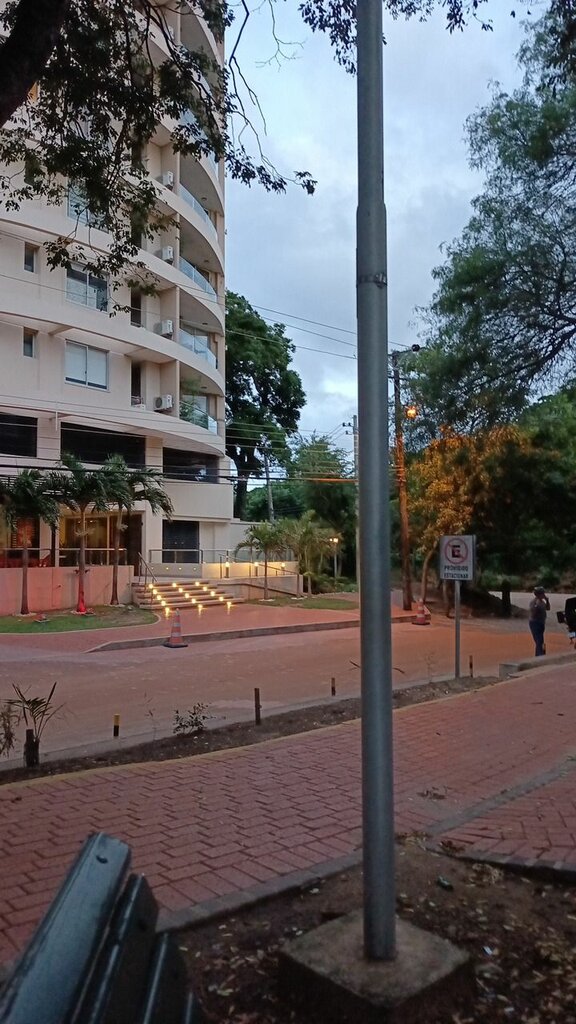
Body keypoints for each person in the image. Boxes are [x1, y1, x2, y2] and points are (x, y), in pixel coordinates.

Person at [528, 585, 550, 657]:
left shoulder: (542, 602)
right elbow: (533, 614)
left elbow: (548, 608)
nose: (543, 595)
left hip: (541, 623)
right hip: (535, 623)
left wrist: (547, 600)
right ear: (538, 594)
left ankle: (541, 654)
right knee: (539, 640)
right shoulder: (533, 602)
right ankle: (539, 655)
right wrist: (536, 606)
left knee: (541, 640)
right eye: (542, 593)